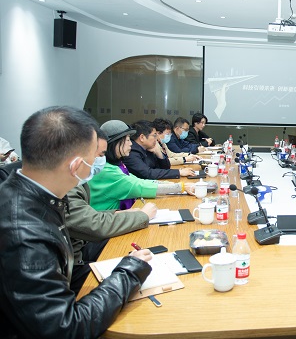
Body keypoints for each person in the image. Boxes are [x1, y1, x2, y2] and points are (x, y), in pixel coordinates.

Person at [0, 106, 152, 338]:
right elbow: (66, 328)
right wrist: (129, 273)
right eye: (95, 158)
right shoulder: (26, 234)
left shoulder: (29, 192)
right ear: (76, 166)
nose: (97, 165)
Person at [67, 129, 158, 294]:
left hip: (80, 251)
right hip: (75, 267)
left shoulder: (77, 181)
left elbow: (86, 215)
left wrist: (118, 213)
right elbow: (94, 224)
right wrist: (142, 216)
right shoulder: (66, 187)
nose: (130, 144)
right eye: (98, 155)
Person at [88, 119, 193, 211]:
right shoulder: (106, 170)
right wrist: (180, 187)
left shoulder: (116, 165)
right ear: (115, 143)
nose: (130, 143)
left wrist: (177, 185)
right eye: (127, 140)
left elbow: (140, 181)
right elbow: (140, 186)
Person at [123, 120, 195, 180]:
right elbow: (148, 173)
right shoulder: (131, 152)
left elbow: (165, 167)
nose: (156, 138)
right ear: (142, 137)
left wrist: (159, 154)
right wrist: (179, 172)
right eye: (154, 135)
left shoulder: (148, 148)